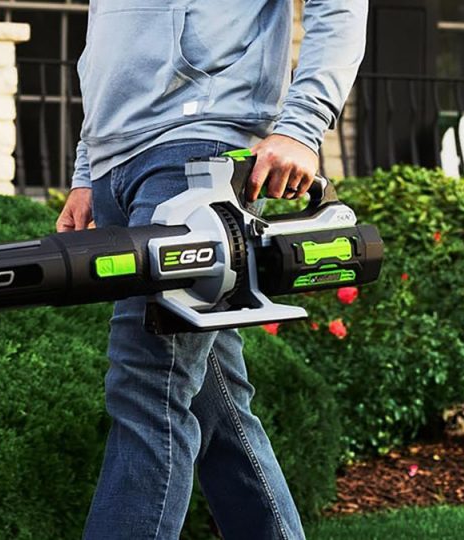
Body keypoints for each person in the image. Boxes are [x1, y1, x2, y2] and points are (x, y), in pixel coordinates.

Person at [56, 2, 367, 538]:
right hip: (115, 162)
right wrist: (88, 170)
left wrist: (301, 126)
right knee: (215, 402)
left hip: (197, 147)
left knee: (147, 386)